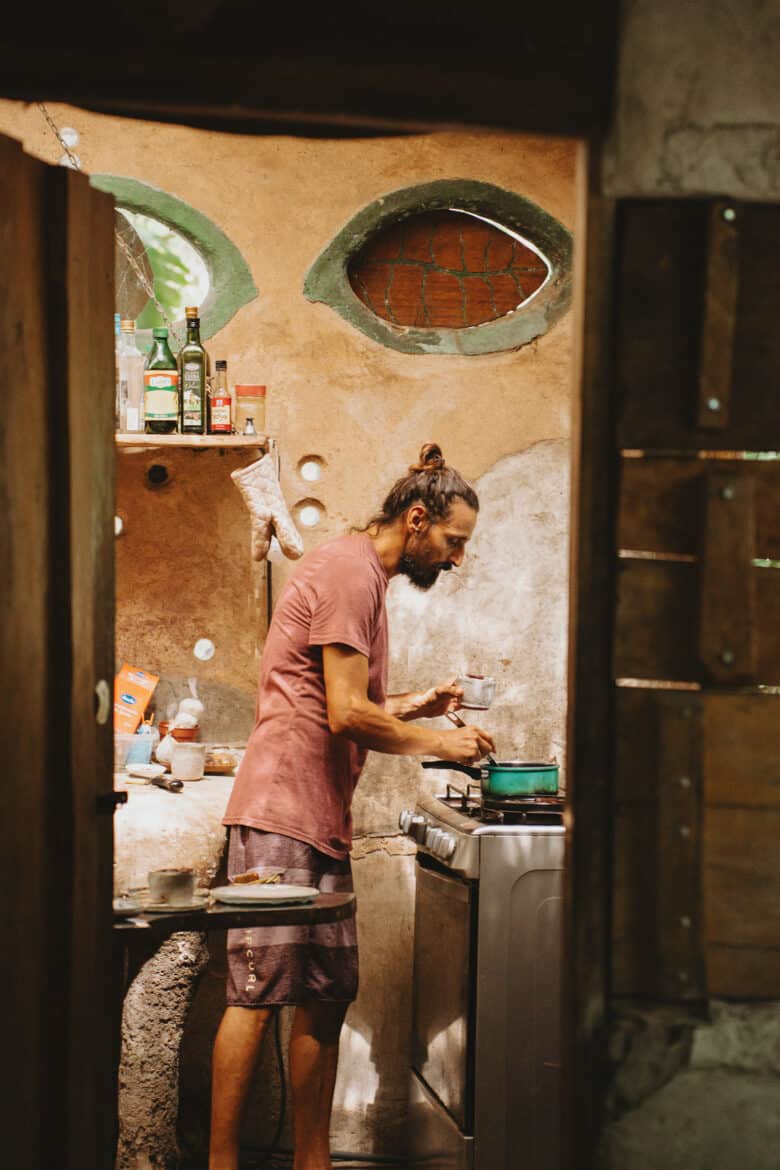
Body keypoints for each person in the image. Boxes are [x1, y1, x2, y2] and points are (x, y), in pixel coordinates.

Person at [210, 442, 495, 1170]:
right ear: (419, 518)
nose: (457, 559)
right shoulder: (347, 571)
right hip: (281, 808)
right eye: (455, 542)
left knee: (327, 991)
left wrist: (414, 703)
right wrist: (439, 741)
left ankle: (315, 1163)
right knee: (256, 991)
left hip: (321, 815)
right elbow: (344, 714)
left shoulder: (369, 575)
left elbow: (350, 703)